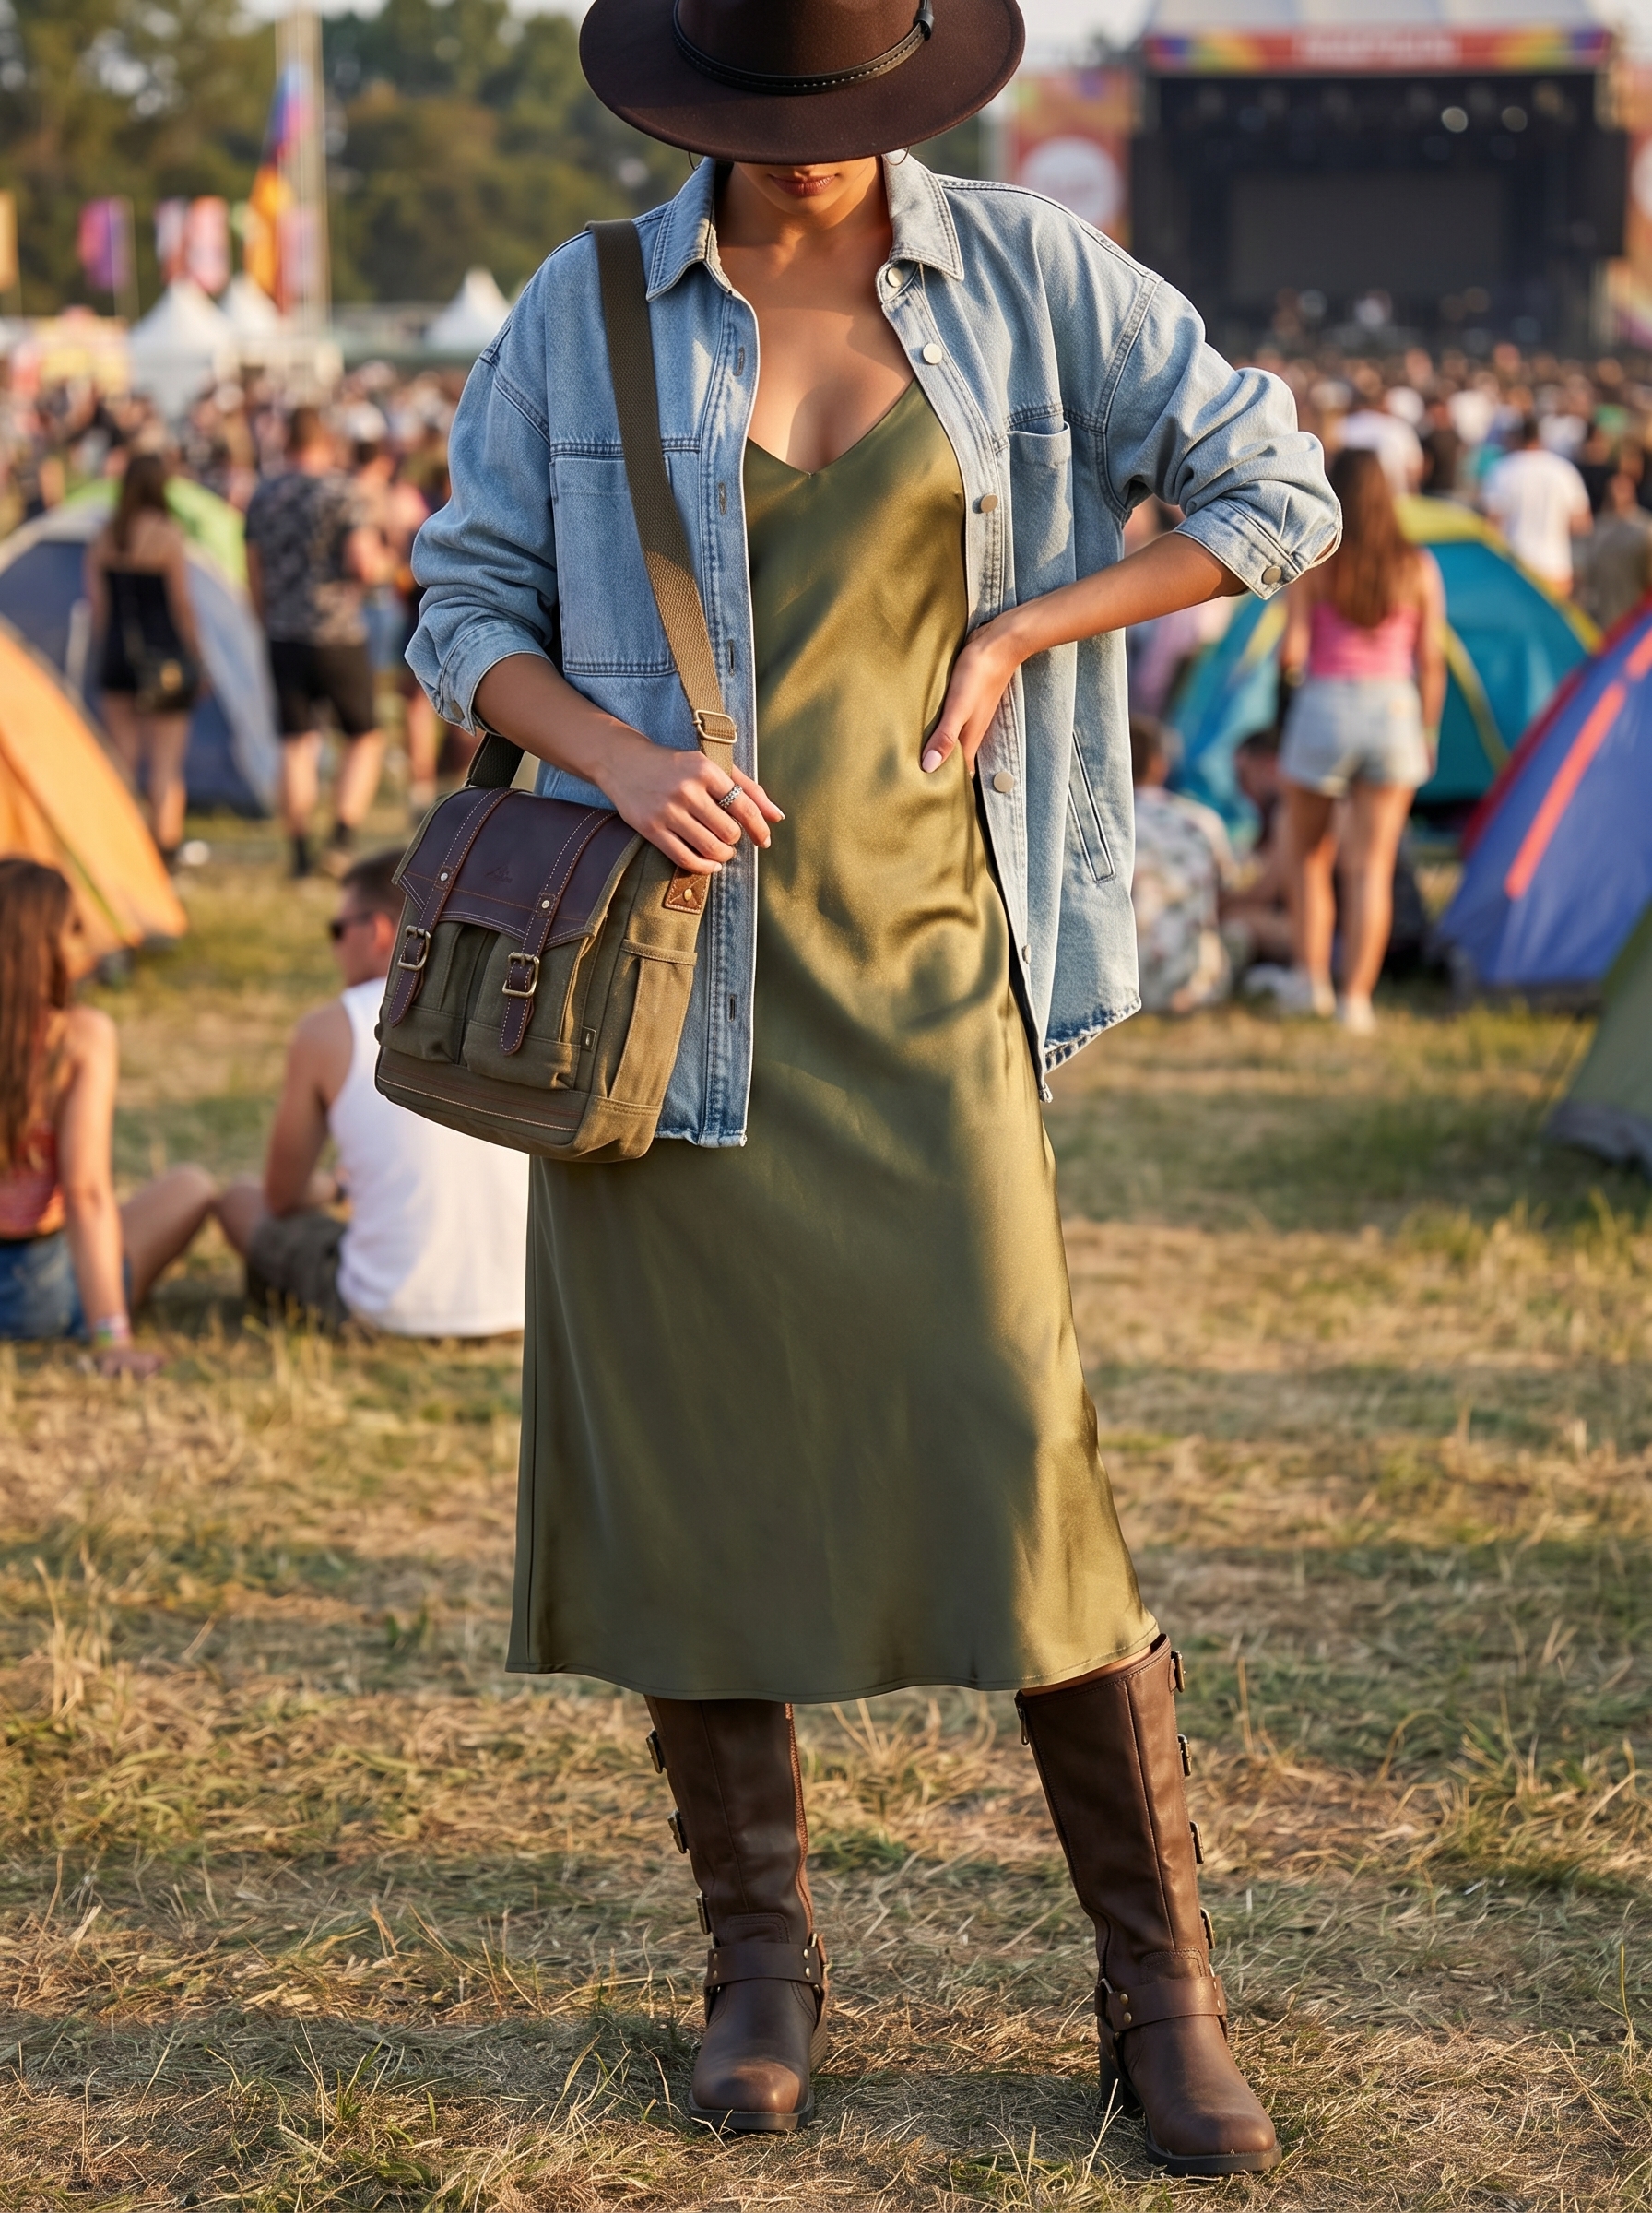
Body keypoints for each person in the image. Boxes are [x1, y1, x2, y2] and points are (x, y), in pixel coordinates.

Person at [409, 0, 1339, 2173]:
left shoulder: (1028, 276)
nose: (808, 158)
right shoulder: (584, 307)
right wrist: (616, 752)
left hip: (933, 981)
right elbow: (463, 603)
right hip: (664, 1006)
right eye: (768, 121)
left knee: (1025, 1462)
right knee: (694, 1477)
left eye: (840, 119)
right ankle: (758, 1960)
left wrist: (1035, 627)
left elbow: (1271, 484)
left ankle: (1158, 1988)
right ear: (695, 101)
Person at [215, 849, 530, 1336]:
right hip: (521, 1305)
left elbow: (281, 1197)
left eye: (337, 931)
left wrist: (334, 1188)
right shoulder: (514, 1014)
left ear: (379, 932)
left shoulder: (330, 1029)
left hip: (386, 1308)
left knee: (238, 1199)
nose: (335, 947)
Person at [0, 858, 216, 1372]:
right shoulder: (77, 1037)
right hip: (38, 1290)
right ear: (48, 944)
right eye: (74, 931)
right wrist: (111, 1339)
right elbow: (85, 1192)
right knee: (190, 1186)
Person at [1278, 448, 1445, 1034]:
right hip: (1395, 710)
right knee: (1370, 867)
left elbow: (1292, 651)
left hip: (1325, 705)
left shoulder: (1317, 562)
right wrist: (1427, 731)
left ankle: (1311, 981)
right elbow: (1432, 661)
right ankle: (1357, 1000)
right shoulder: (1417, 567)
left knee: (1308, 855)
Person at [244, 408, 390, 879]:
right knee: (364, 737)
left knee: (295, 743)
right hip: (338, 632)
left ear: (286, 442)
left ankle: (300, 851)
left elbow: (253, 570)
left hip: (283, 632)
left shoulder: (263, 495)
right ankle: (341, 840)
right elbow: (364, 564)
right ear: (326, 443)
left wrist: (266, 619)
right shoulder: (341, 493)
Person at [85, 451, 204, 866]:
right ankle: (163, 855)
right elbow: (181, 605)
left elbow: (98, 609)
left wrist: (103, 654)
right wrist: (198, 657)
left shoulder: (104, 536)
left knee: (122, 760)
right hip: (165, 657)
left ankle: (119, 849)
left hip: (118, 654)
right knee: (166, 763)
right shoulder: (168, 534)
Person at [1128, 716, 1233, 1012]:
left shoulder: (1094, 826)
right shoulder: (1202, 820)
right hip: (1196, 983)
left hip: (1115, 985)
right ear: (1160, 765)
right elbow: (1226, 890)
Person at [1481, 415, 1590, 598]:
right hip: (1555, 567)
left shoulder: (1502, 470)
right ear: (1541, 439)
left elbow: (1492, 525)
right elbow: (1581, 524)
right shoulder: (1563, 470)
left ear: (1516, 439)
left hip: (1515, 567)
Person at [1575, 467, 1652, 633]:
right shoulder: (1598, 526)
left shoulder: (1645, 529)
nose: (1618, 494)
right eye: (1615, 488)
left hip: (1632, 610)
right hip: (1600, 611)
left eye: (1623, 489)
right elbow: (1584, 568)